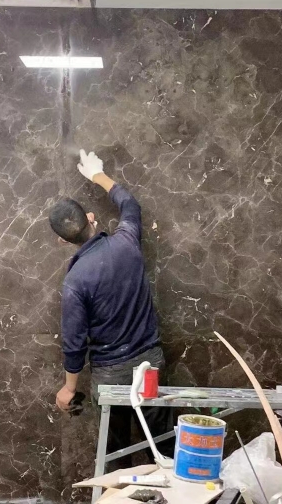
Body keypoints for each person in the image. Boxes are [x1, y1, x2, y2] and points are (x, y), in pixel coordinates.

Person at [49, 149, 173, 469]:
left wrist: (69, 389)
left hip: (110, 376)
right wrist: (98, 176)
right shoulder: (127, 242)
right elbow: (130, 205)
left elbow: (74, 343)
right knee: (164, 447)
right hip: (149, 364)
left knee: (115, 453)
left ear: (64, 241)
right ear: (91, 218)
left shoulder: (75, 281)